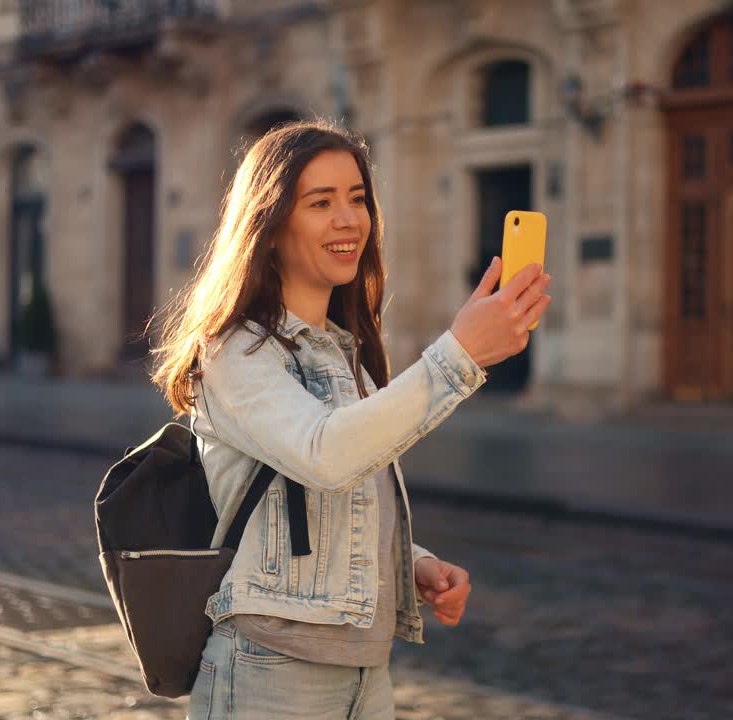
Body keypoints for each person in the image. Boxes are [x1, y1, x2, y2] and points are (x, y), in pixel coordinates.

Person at [150, 119, 552, 720]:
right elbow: (325, 454)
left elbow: (344, 492)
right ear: (270, 225)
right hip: (269, 671)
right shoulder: (237, 350)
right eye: (321, 202)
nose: (349, 220)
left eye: (357, 199)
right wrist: (460, 354)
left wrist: (412, 560)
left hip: (365, 672)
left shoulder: (345, 351)